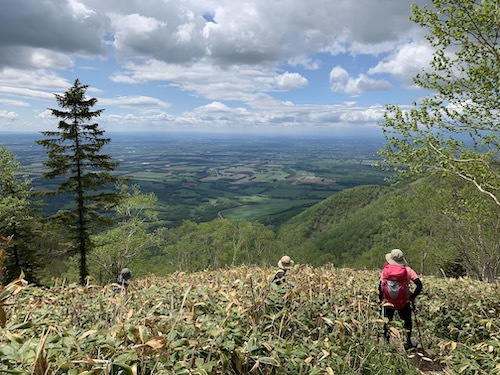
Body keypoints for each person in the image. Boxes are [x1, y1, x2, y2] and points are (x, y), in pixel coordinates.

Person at [379, 249, 423, 350]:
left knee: (387, 321)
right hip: (404, 301)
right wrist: (412, 296)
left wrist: (381, 299)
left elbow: (380, 286)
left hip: (388, 302)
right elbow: (419, 285)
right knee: (407, 321)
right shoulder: (407, 270)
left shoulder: (386, 270)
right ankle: (407, 342)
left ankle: (387, 343)